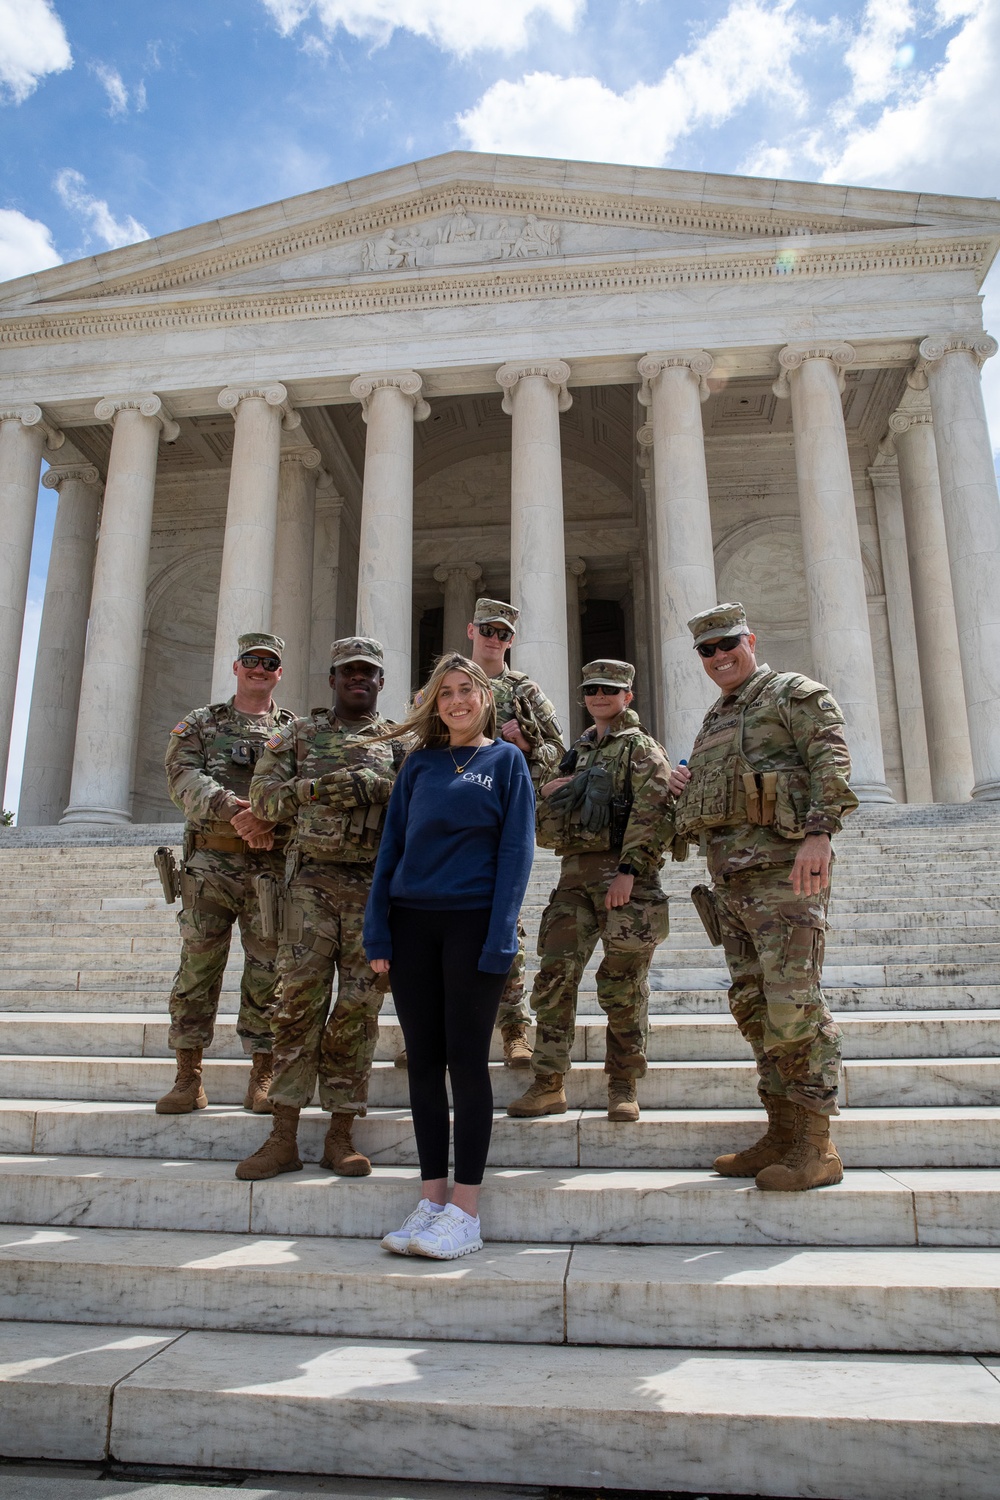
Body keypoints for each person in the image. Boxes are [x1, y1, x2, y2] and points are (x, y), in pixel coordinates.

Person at [668, 603, 859, 1191]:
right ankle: (781, 1132)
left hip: (785, 876)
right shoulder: (717, 716)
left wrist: (820, 834)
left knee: (795, 1004)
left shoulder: (791, 693)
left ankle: (817, 1146)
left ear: (750, 640)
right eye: (707, 650)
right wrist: (683, 786)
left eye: (728, 644)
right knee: (754, 1006)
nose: (719, 656)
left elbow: (831, 760)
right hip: (732, 885)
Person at [365, 653, 535, 1260]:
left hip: (472, 923)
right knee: (422, 1065)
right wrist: (378, 931)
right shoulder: (418, 765)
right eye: (445, 693)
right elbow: (392, 848)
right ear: (434, 704)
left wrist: (501, 935)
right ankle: (431, 1200)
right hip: (412, 924)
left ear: (485, 696)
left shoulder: (506, 761)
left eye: (466, 690)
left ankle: (466, 1211)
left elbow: (516, 853)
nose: (456, 701)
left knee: (466, 1062)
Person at [234, 638, 404, 1181]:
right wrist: (321, 789)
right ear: (332, 679)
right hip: (309, 884)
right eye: (348, 671)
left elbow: (418, 805)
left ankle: (340, 1135)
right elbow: (264, 800)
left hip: (373, 891)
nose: (358, 678)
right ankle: (283, 1136)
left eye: (367, 672)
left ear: (380, 682)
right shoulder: (299, 735)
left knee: (358, 1010)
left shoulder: (400, 741)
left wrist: (375, 787)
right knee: (296, 1005)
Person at [394, 596, 564, 1069]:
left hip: (500, 819)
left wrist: (527, 744)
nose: (494, 638)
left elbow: (559, 751)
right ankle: (424, 1033)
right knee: (430, 937)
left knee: (506, 925)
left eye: (503, 633)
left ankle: (514, 1029)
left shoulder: (526, 691)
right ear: (471, 630)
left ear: (511, 640)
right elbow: (414, 746)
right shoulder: (442, 687)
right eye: (487, 629)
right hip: (442, 827)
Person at [508, 659, 672, 1124]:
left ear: (627, 696)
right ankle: (548, 1082)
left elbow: (654, 811)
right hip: (574, 877)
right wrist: (550, 793)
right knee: (554, 978)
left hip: (625, 879)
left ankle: (622, 1084)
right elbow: (548, 819)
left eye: (609, 689)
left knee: (623, 986)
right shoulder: (576, 752)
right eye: (592, 689)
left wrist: (629, 872)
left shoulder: (641, 747)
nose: (599, 696)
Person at [157, 632, 295, 1116]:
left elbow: (302, 787)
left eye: (269, 663)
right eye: (251, 660)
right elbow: (181, 775)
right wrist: (231, 808)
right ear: (236, 667)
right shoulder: (201, 722)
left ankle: (262, 1075)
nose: (259, 669)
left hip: (270, 869)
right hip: (209, 867)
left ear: (280, 673)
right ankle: (188, 1077)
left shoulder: (293, 731)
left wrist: (268, 817)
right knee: (197, 970)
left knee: (268, 972)